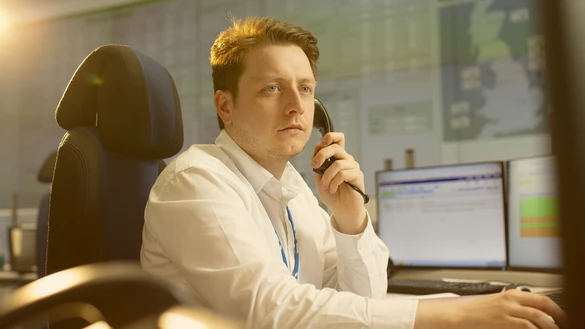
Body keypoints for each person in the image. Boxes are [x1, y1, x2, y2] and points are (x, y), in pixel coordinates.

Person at [140, 17, 566, 329]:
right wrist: (452, 313)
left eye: (305, 88)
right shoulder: (194, 181)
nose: (297, 105)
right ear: (225, 106)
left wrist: (349, 220)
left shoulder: (293, 190)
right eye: (272, 88)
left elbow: (361, 304)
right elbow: (270, 312)